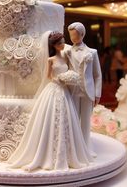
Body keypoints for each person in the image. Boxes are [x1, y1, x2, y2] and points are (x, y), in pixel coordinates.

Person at [7, 31, 93, 172]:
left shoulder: (66, 56)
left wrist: (70, 78)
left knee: (66, 120)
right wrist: (59, 79)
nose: (63, 44)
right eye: (59, 43)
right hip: (54, 89)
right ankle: (48, 152)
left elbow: (74, 66)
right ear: (53, 45)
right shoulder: (51, 60)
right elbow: (48, 76)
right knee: (52, 118)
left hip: (64, 91)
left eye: (63, 42)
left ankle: (67, 153)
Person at [65, 22, 102, 156]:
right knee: (73, 119)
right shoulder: (67, 51)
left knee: (85, 121)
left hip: (88, 91)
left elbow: (97, 75)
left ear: (82, 34)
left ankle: (86, 148)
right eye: (70, 35)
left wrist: (97, 94)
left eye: (74, 35)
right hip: (72, 90)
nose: (72, 38)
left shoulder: (92, 52)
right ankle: (73, 148)